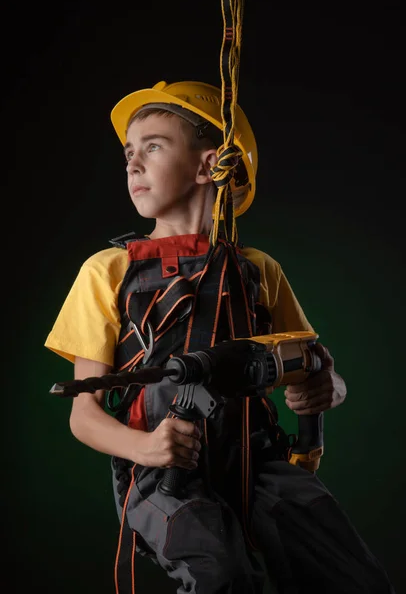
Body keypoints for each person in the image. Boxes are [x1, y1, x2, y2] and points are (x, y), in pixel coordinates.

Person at [45, 80, 394, 594]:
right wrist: (146, 448)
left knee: (355, 578)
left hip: (259, 461)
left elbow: (317, 367)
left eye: (154, 147)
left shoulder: (257, 270)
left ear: (210, 165)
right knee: (222, 576)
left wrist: (325, 388)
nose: (133, 164)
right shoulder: (109, 271)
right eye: (129, 153)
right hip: (163, 476)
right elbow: (84, 414)